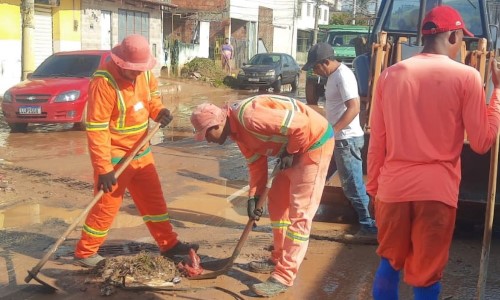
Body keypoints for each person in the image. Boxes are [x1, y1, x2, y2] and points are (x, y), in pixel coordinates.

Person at [367, 6, 500, 300]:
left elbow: (378, 140)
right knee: (426, 274)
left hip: (392, 189)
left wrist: (373, 189)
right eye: (462, 38)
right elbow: (482, 142)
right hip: (436, 192)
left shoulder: (390, 75)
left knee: (388, 264)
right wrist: (498, 94)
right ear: (453, 35)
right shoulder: (467, 77)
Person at [73, 34, 198, 268]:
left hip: (141, 151)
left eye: (141, 69)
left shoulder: (144, 74)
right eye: (134, 70)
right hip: (115, 157)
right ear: (121, 63)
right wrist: (103, 169)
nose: (138, 73)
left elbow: (152, 100)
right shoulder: (104, 83)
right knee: (105, 207)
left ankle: (169, 244)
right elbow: (97, 129)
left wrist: (159, 112)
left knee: (155, 203)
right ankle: (85, 252)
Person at [190, 94, 334, 297]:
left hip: (313, 144)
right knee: (277, 205)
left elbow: (300, 124)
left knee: (300, 214)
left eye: (206, 135)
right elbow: (256, 165)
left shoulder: (250, 116)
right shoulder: (237, 134)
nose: (207, 141)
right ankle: (278, 257)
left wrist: (291, 151)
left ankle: (284, 276)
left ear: (216, 125)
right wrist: (254, 197)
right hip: (289, 149)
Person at [302, 42, 377, 240]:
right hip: (337, 140)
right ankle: (303, 219)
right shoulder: (334, 76)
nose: (316, 72)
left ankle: (370, 227)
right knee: (318, 177)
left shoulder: (343, 75)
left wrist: (332, 132)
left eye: (316, 67)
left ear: (325, 62)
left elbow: (354, 108)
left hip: (346, 140)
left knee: (353, 186)